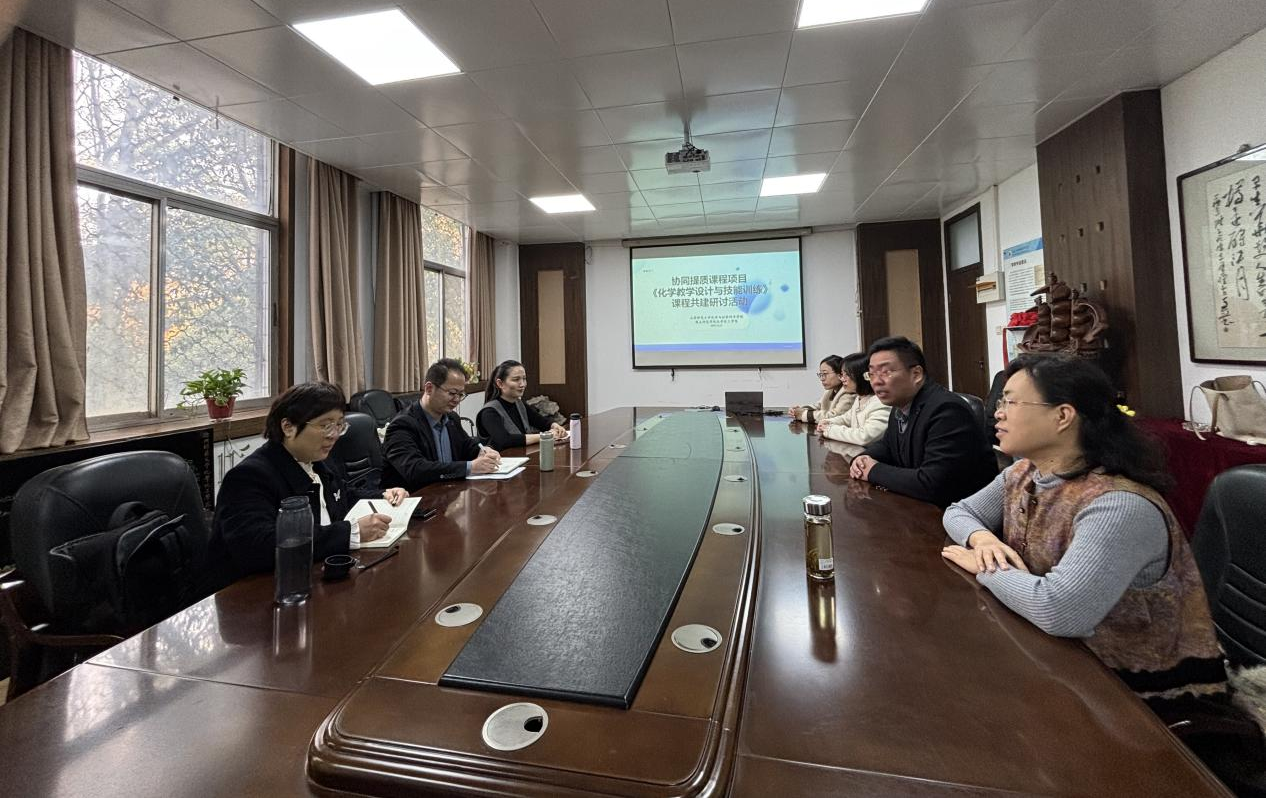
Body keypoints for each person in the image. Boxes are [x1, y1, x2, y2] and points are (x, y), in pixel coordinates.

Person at [940, 354, 1261, 794]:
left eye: (1011, 402)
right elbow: (959, 512)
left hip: (1141, 696)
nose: (997, 412)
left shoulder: (1117, 504)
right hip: (1066, 663)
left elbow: (1059, 610)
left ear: (1063, 416)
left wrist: (986, 569)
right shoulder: (1026, 473)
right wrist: (982, 540)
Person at [212, 382, 408, 583]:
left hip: (314, 574)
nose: (334, 435)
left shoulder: (318, 461)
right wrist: (350, 532)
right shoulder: (249, 477)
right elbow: (257, 545)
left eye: (339, 425)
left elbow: (341, 495)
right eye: (325, 425)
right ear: (288, 427)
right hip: (259, 590)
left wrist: (382, 494)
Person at [849, 336, 996, 506]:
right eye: (871, 374)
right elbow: (888, 446)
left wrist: (873, 470)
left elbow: (932, 483)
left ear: (916, 374)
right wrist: (862, 459)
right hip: (920, 507)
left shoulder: (947, 410)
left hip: (960, 513)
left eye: (886, 372)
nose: (876, 381)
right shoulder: (900, 405)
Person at [382, 358, 501, 490]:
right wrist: (470, 467)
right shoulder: (402, 425)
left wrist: (483, 451)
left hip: (449, 492)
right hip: (417, 496)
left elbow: (467, 446)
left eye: (461, 394)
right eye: (452, 393)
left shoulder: (451, 418)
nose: (457, 400)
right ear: (429, 388)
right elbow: (416, 470)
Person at [477, 359, 570, 450]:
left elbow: (540, 421)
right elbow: (504, 440)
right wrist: (545, 436)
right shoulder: (489, 412)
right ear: (500, 383)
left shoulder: (519, 404)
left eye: (524, 379)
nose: (522, 384)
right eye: (516, 379)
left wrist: (554, 426)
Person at [817, 352, 890, 446]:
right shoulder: (860, 398)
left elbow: (864, 437)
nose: (842, 379)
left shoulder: (881, 403)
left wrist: (830, 430)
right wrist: (828, 422)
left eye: (846, 375)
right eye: (842, 374)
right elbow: (846, 418)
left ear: (861, 376)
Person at [788, 355, 853, 424]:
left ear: (840, 373)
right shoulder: (829, 391)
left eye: (825, 374)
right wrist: (798, 410)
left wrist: (803, 414)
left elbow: (835, 416)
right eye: (821, 374)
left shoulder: (848, 392)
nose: (822, 378)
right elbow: (817, 406)